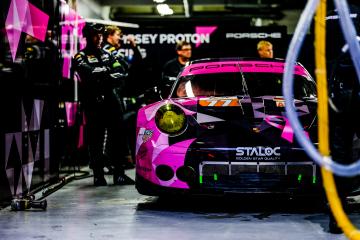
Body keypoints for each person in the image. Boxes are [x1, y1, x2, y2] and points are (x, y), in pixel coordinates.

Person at [72, 23, 134, 186]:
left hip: (112, 101)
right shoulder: (80, 56)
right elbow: (88, 74)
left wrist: (102, 74)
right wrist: (107, 74)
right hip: (93, 103)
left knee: (119, 137)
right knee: (95, 139)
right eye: (95, 35)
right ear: (86, 36)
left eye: (100, 35)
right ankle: (98, 175)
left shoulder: (108, 55)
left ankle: (119, 174)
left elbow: (121, 73)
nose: (99, 38)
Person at [326, 2, 360, 234]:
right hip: (345, 92)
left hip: (339, 93)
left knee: (340, 155)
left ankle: (336, 216)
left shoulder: (328, 17)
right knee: (340, 155)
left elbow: (324, 56)